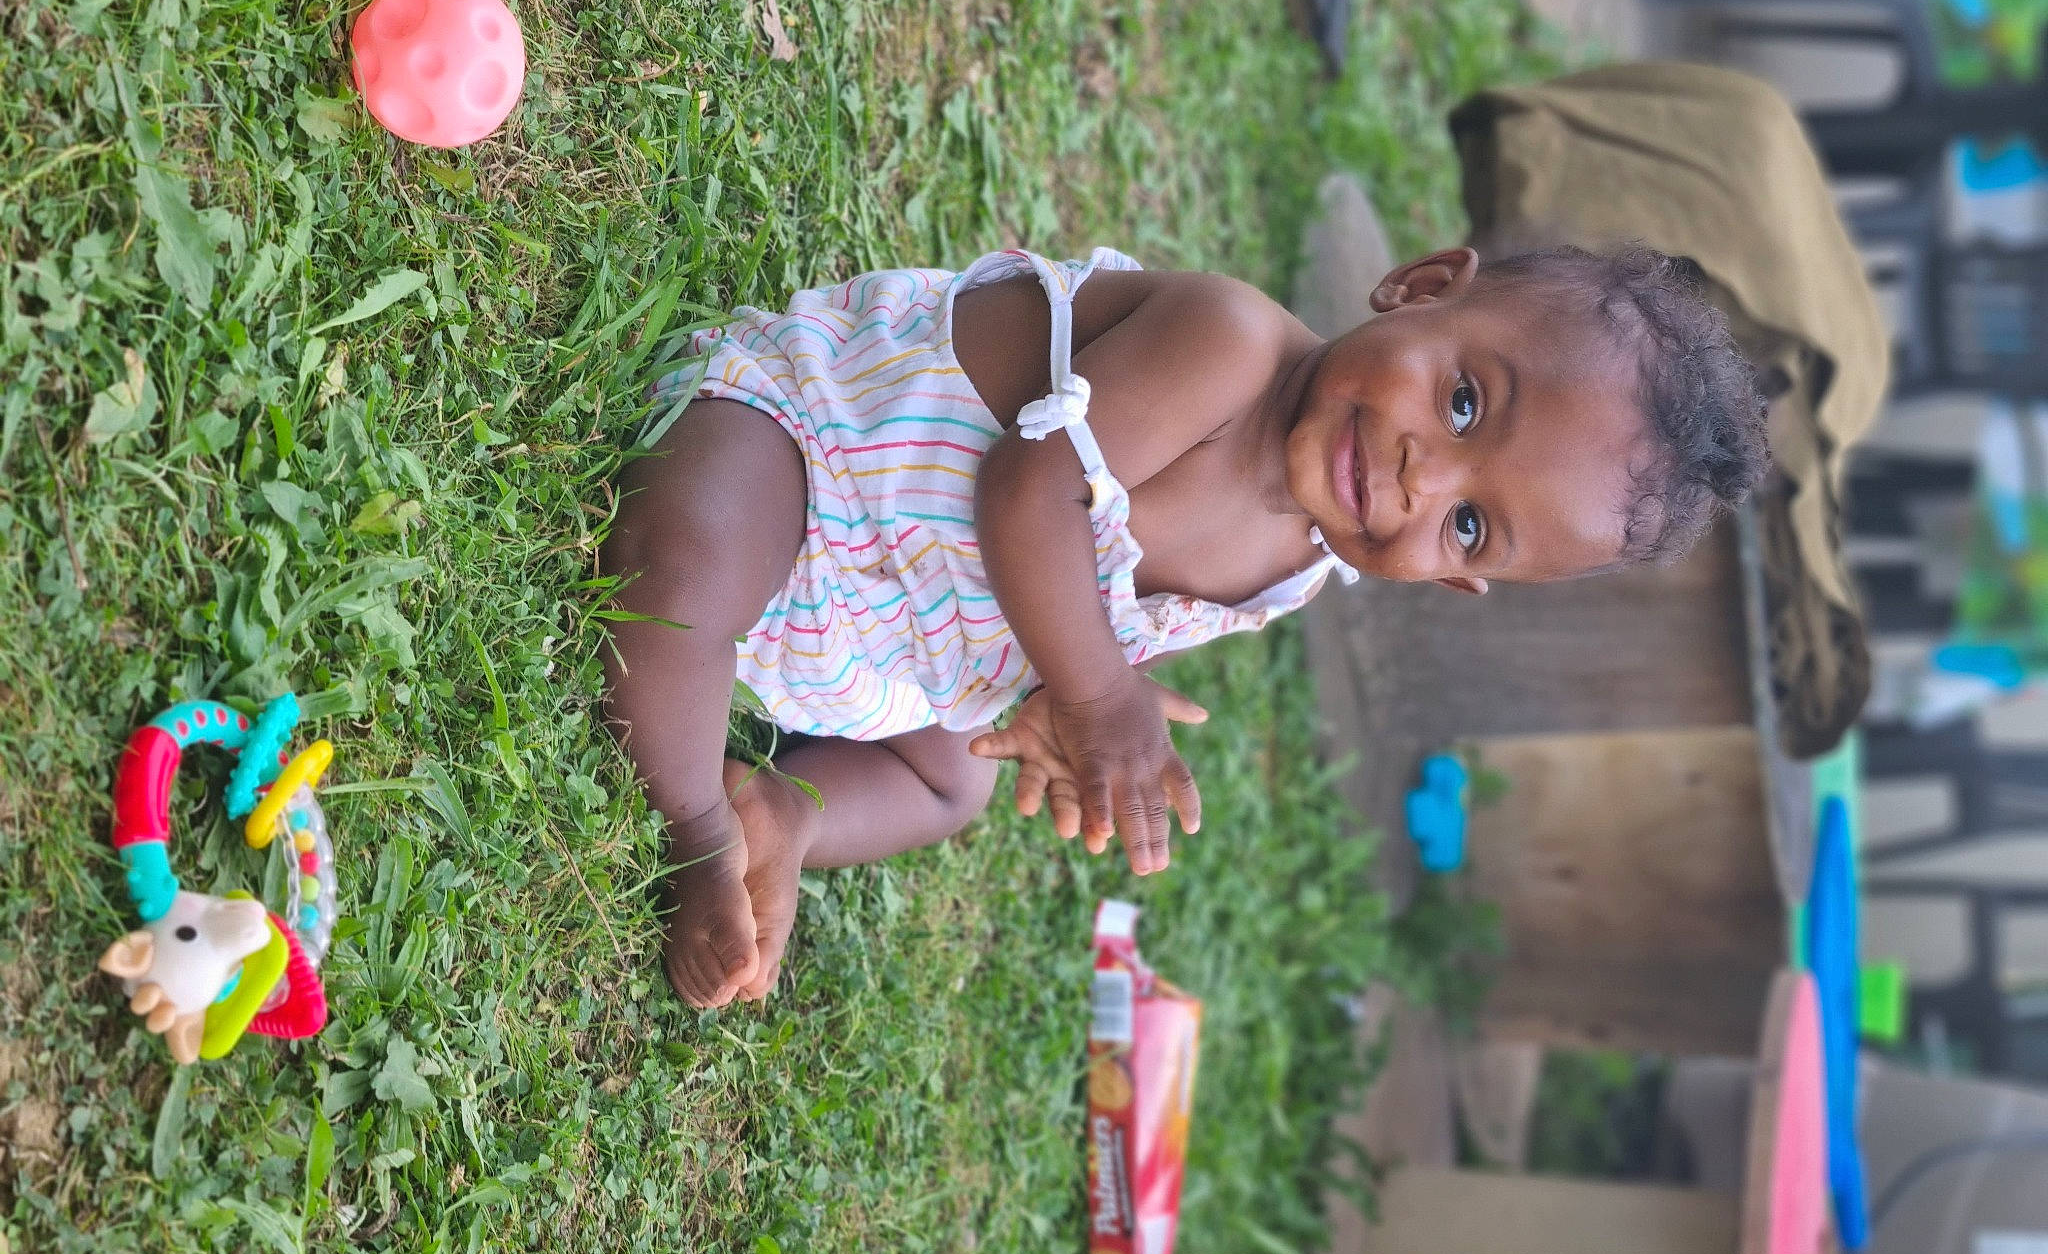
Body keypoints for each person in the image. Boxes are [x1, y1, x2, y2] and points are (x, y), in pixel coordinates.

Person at [600, 241, 1770, 1007]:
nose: (1421, 478)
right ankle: (700, 821)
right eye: (1462, 401)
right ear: (1420, 286)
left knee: (948, 785)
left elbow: (1078, 616)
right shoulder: (1225, 345)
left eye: (1468, 528)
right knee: (678, 571)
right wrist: (1102, 697)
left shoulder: (1295, 571)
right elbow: (1030, 493)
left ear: (1458, 583)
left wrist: (1050, 706)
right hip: (805, 467)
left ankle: (785, 811)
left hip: (876, 642)